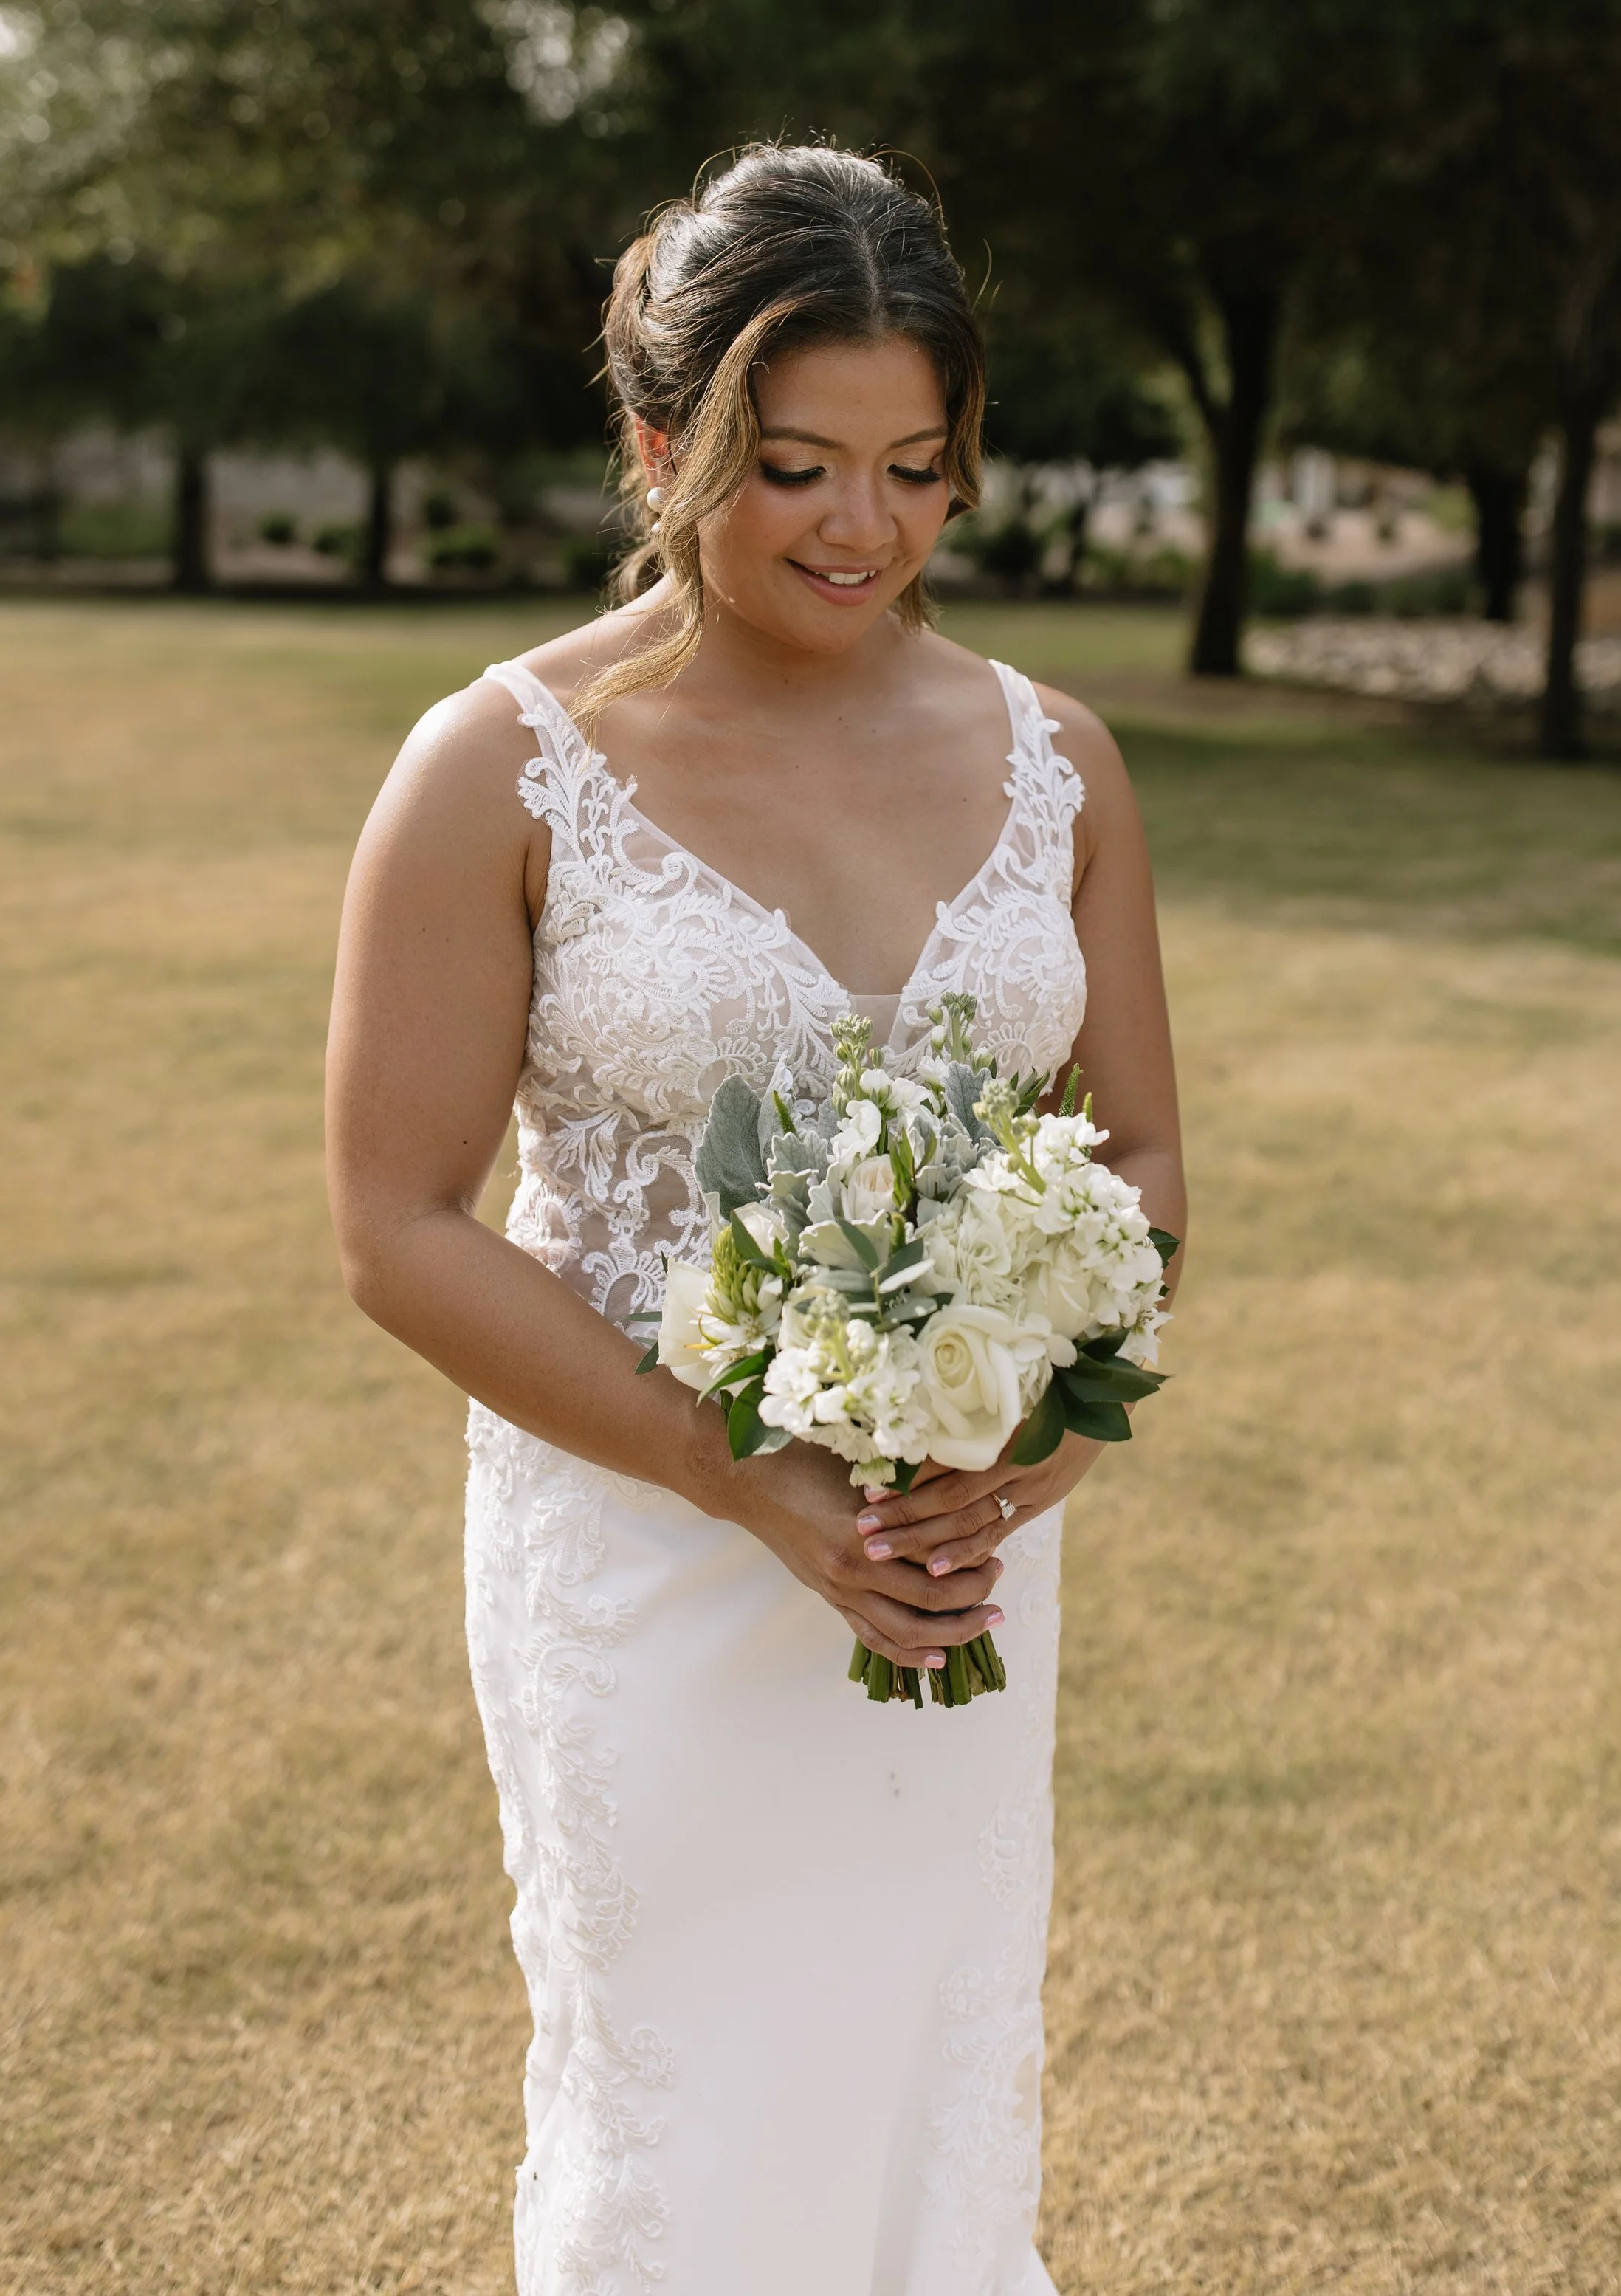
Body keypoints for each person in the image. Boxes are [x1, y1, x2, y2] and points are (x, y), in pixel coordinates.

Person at [326, 145, 1185, 2296]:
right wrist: (750, 1472)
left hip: (961, 1552)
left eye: (915, 465)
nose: (861, 526)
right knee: (686, 2110)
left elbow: (1143, 1163)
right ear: (655, 437)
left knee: (926, 2079)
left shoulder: (1057, 758)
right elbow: (395, 1218)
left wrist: (1031, 1436)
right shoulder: (496, 766)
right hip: (641, 1555)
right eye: (792, 464)